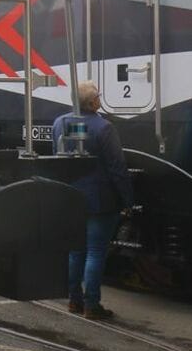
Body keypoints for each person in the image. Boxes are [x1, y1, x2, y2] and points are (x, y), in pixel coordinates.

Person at [53, 81, 135, 320]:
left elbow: (58, 161)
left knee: (75, 251)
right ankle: (92, 305)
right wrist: (128, 199)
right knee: (95, 253)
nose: (100, 98)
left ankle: (73, 300)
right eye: (98, 95)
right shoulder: (104, 128)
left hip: (71, 198)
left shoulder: (61, 123)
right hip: (100, 201)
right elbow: (117, 167)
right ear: (92, 102)